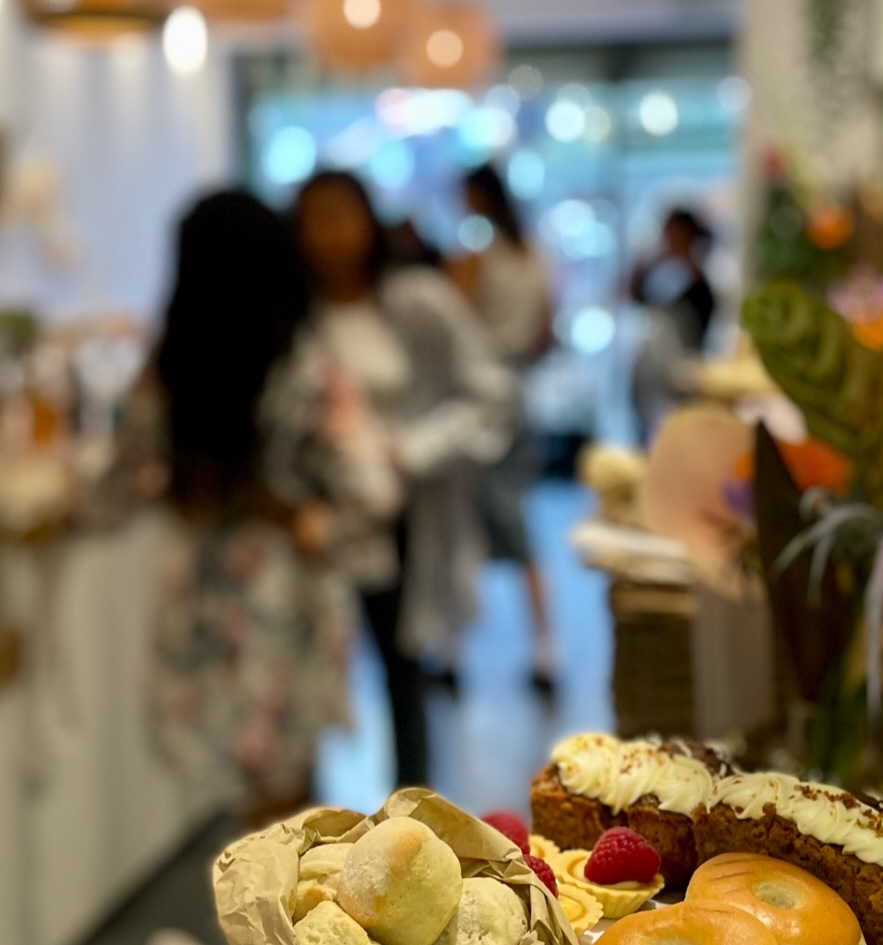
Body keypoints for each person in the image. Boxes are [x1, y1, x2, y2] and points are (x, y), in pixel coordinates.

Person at [112, 189, 399, 818]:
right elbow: (376, 487)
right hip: (283, 591)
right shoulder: (306, 370)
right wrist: (312, 519)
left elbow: (121, 480)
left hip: (200, 592)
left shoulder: (169, 370)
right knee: (290, 804)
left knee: (238, 800)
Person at [292, 170, 517, 789]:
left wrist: (408, 450)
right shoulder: (297, 316)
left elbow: (490, 395)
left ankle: (410, 819)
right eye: (314, 220)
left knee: (403, 672)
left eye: (341, 216)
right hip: (321, 521)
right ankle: (305, 829)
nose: (329, 234)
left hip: (401, 515)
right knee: (313, 677)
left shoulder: (416, 301)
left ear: (369, 221)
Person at [448, 164, 558, 696]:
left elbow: (451, 329)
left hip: (478, 402)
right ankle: (544, 647)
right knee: (514, 523)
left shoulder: (475, 259)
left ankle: (452, 648)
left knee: (466, 525)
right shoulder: (533, 256)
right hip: (517, 396)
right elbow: (547, 332)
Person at [628, 204, 718, 446]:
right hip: (655, 388)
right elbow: (635, 297)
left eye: (671, 233)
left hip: (681, 389)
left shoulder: (699, 285)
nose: (666, 240)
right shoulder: (670, 276)